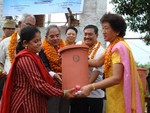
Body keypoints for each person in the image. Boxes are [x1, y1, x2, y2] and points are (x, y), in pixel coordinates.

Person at [78, 13, 145, 113]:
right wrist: (74, 59)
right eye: (103, 28)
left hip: (121, 94)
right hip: (113, 93)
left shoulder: (119, 47)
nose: (103, 32)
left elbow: (116, 78)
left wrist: (91, 86)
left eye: (107, 28)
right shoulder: (111, 46)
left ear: (117, 31)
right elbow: (96, 63)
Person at [0, 26, 75, 113]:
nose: (40, 43)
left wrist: (55, 77)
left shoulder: (33, 56)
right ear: (25, 43)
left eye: (40, 40)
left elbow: (42, 77)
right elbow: (39, 85)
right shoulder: (26, 59)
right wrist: (63, 93)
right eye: (36, 41)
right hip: (26, 102)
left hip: (34, 100)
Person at [0, 14, 36, 99]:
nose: (31, 28)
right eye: (28, 24)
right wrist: (2, 72)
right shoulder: (5, 42)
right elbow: (0, 62)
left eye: (33, 26)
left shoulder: (34, 43)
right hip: (8, 83)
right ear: (20, 24)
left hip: (27, 86)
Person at [71, 25, 104, 113]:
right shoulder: (78, 45)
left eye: (90, 34)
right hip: (78, 92)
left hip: (94, 94)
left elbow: (96, 71)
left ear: (96, 35)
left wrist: (86, 87)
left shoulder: (101, 51)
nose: (87, 37)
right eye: (85, 34)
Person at [39, 25, 69, 113]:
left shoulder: (64, 48)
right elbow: (44, 67)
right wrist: (54, 74)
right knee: (52, 109)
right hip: (51, 86)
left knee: (64, 109)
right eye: (52, 36)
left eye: (57, 35)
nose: (55, 38)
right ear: (46, 37)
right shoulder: (42, 50)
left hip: (66, 84)